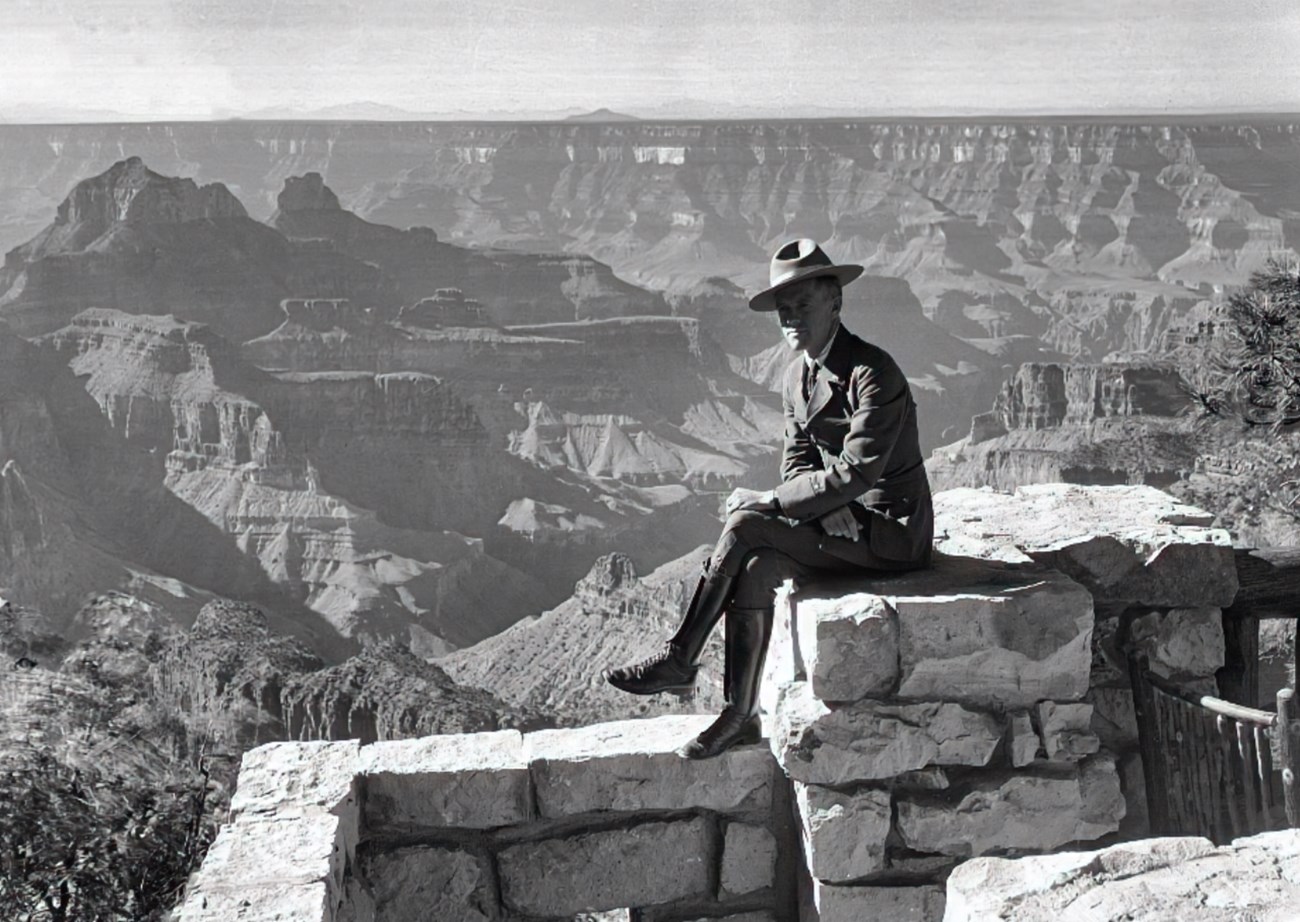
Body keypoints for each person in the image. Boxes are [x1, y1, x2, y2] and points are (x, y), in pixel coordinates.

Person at [603, 238, 934, 759]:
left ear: (835, 303)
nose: (791, 318)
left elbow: (860, 469)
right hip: (841, 522)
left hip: (890, 533)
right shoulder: (794, 378)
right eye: (784, 309)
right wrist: (826, 504)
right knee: (755, 566)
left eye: (803, 305)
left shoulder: (873, 372)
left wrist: (782, 502)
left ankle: (680, 659)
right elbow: (797, 463)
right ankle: (739, 717)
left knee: (745, 523)